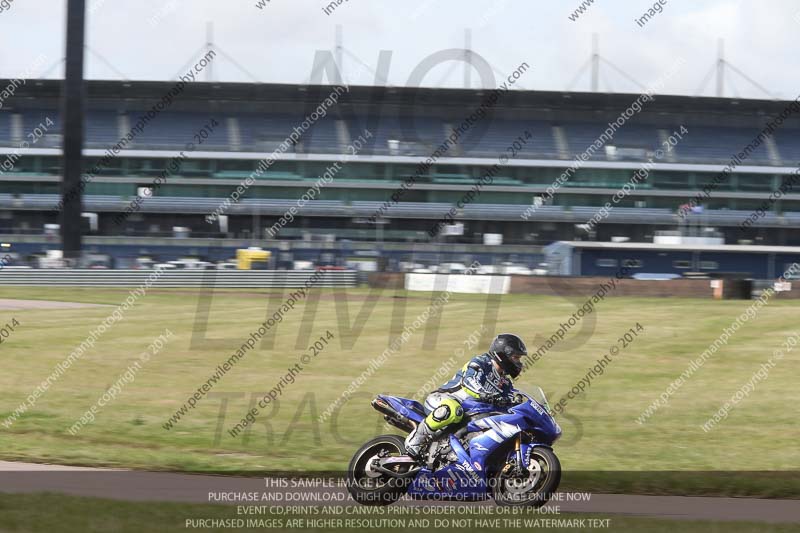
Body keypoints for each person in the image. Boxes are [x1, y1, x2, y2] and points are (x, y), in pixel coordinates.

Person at [404, 333, 527, 459]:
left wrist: (517, 404)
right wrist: (484, 394)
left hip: (469, 411)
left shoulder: (505, 382)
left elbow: (509, 400)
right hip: (443, 399)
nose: (518, 362)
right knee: (454, 410)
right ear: (502, 355)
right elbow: (469, 381)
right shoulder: (481, 363)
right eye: (516, 357)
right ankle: (415, 440)